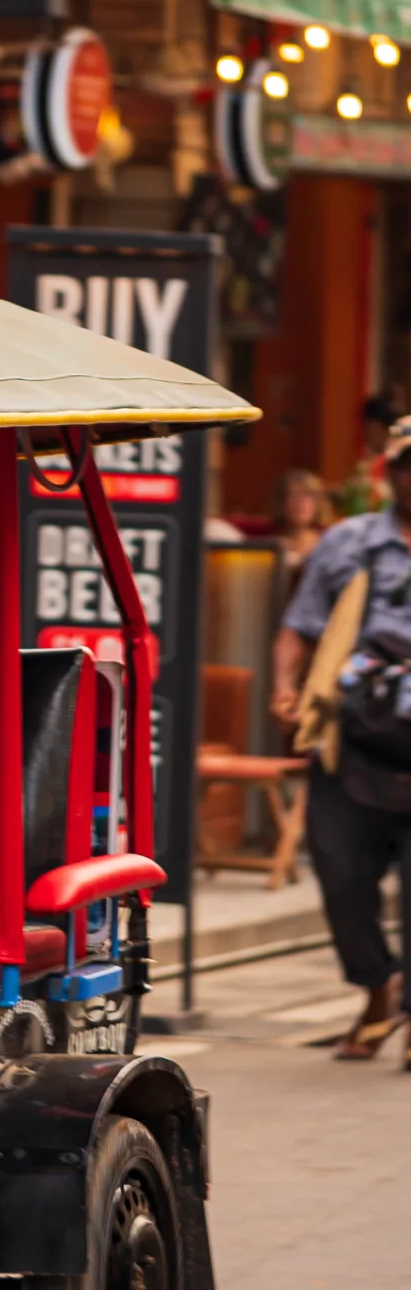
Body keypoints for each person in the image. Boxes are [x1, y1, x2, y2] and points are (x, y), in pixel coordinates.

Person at [271, 415, 411, 1064]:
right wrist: (286, 685)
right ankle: (376, 985)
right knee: (340, 876)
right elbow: (298, 626)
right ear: (390, 474)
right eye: (406, 465)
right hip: (351, 738)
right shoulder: (347, 543)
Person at [272, 467, 334, 583]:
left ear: (318, 503)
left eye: (307, 496)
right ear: (281, 503)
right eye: (292, 495)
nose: (300, 502)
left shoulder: (329, 543)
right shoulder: (273, 544)